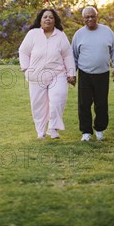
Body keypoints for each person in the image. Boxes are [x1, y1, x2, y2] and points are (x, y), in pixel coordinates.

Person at [19, 9, 76, 140]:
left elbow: (67, 55)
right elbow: (23, 51)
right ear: (40, 20)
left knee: (58, 99)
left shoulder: (60, 35)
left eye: (51, 17)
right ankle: (40, 132)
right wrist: (25, 69)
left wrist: (71, 73)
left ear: (55, 20)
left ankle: (53, 129)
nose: (48, 19)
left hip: (57, 74)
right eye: (45, 17)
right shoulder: (33, 34)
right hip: (36, 75)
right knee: (38, 105)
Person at [72, 6, 114, 142]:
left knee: (101, 104)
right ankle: (86, 132)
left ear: (97, 16)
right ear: (83, 18)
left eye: (92, 16)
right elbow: (73, 56)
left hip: (102, 74)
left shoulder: (107, 31)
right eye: (87, 17)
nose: (90, 19)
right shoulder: (79, 34)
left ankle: (99, 129)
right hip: (84, 74)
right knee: (84, 104)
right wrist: (72, 73)